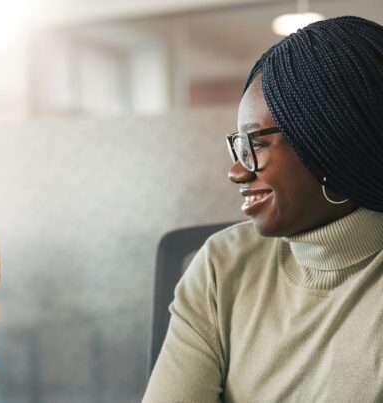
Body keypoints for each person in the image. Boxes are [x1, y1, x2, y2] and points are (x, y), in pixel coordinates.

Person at [143, 16, 383, 402]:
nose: (237, 170)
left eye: (257, 143)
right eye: (238, 146)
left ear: (333, 143)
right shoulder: (222, 266)